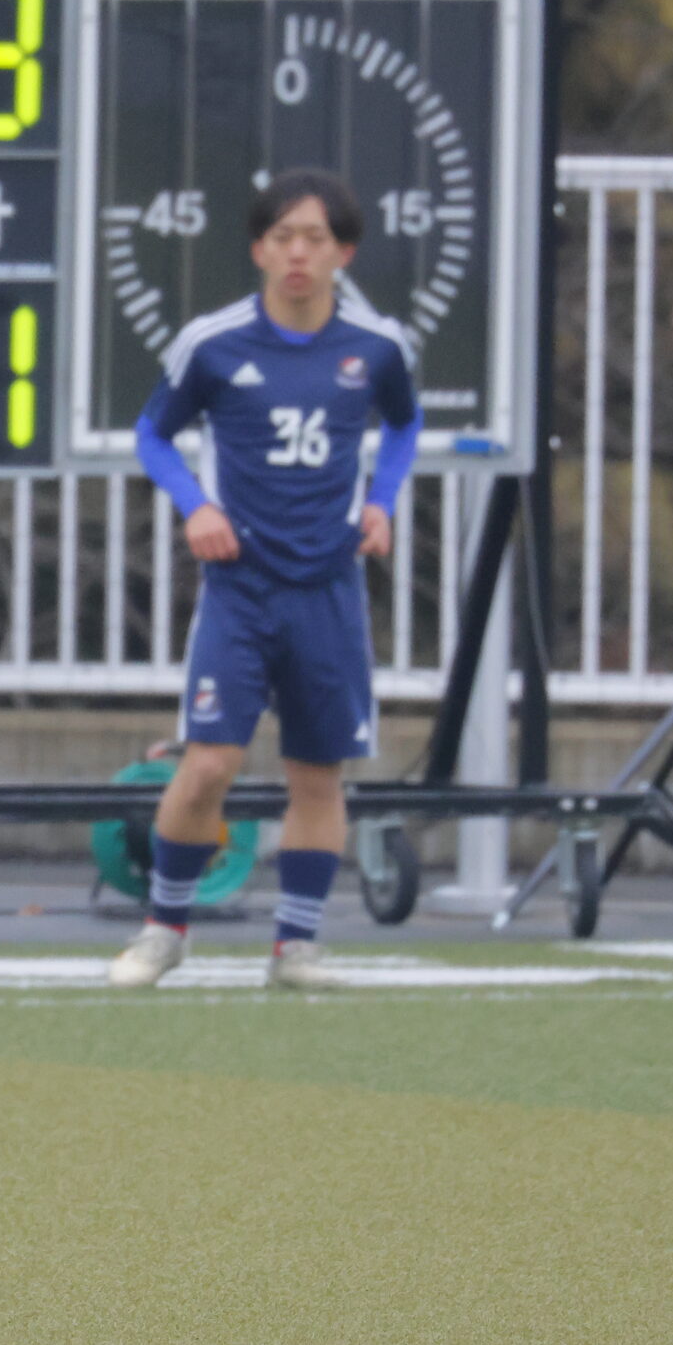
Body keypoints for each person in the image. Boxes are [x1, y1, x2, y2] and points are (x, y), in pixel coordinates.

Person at [110, 168, 423, 990]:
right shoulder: (213, 343)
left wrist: (383, 502)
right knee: (209, 762)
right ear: (257, 247)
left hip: (329, 588)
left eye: (315, 239)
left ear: (342, 251)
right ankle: (165, 926)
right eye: (282, 236)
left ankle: (296, 945)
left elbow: (404, 422)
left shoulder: (376, 347)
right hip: (240, 587)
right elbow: (152, 434)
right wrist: (195, 505)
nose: (297, 254)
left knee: (317, 774)